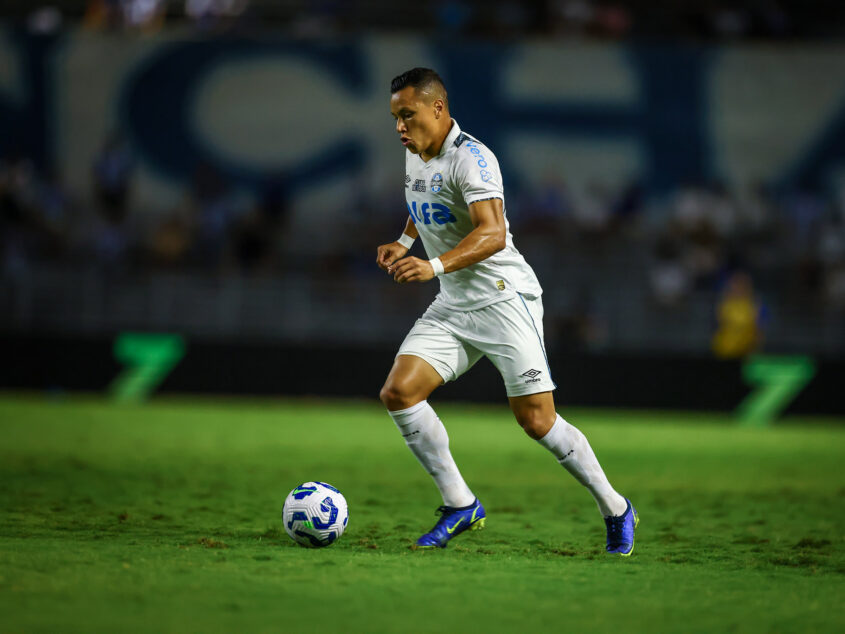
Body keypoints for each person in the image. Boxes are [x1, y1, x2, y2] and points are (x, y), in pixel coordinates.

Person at [376, 68, 638, 554]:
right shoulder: (416, 153)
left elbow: (493, 232)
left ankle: (617, 508)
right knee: (399, 392)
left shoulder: (473, 158)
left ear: (438, 108)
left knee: (537, 421)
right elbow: (426, 201)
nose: (399, 127)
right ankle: (460, 504)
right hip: (454, 303)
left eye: (406, 115)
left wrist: (431, 265)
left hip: (502, 299)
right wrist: (404, 240)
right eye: (395, 117)